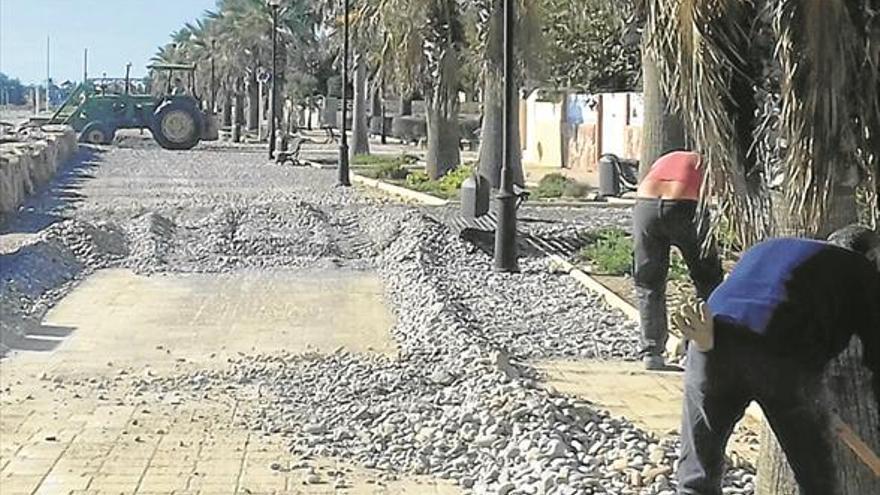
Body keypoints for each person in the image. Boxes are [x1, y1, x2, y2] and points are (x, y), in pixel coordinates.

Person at [674, 225, 880, 495]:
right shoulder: (861, 270)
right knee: (814, 476)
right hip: (779, 354)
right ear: (873, 255)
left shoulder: (770, 247)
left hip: (711, 337)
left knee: (697, 475)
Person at [633, 150, 724, 369]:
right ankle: (697, 346)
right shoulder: (707, 160)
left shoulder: (666, 158)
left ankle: (652, 352)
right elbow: (718, 191)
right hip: (684, 207)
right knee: (708, 279)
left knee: (648, 282)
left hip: (645, 206)